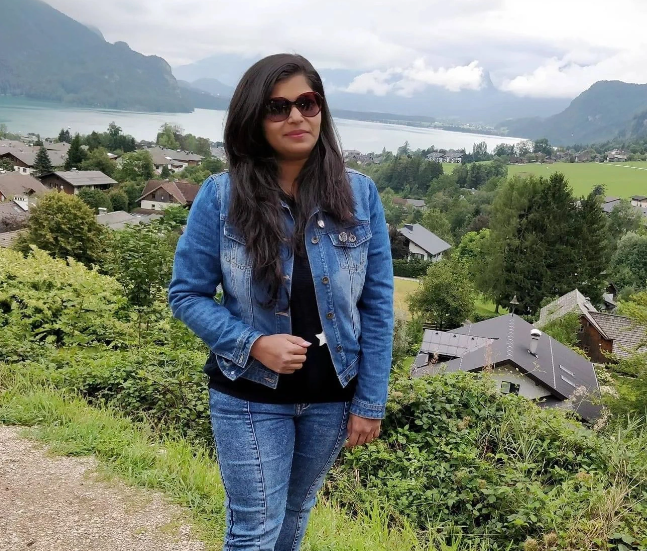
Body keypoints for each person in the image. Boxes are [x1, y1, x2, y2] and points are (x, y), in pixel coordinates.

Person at [168, 53, 393, 551]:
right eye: (278, 107)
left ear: (321, 110)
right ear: (253, 117)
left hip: (332, 397)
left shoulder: (360, 194)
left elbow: (377, 307)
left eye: (307, 103)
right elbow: (186, 294)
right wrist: (253, 343)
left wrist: (370, 402)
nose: (296, 116)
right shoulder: (221, 196)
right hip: (249, 394)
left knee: (295, 514)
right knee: (255, 529)